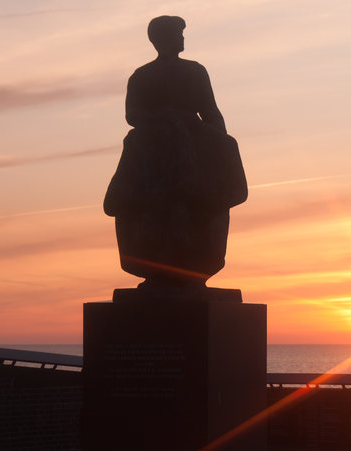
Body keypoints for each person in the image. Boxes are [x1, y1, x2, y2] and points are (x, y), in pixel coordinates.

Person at [103, 16, 247, 289]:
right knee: (135, 172)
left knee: (226, 152)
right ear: (161, 38)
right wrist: (161, 119)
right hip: (154, 136)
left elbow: (210, 111)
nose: (182, 38)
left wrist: (221, 143)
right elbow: (132, 114)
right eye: (178, 33)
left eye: (182, 33)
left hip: (193, 134)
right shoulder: (142, 75)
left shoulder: (195, 71)